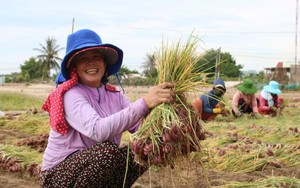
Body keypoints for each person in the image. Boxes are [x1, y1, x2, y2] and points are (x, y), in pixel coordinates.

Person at [40, 29, 175, 188]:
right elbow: (98, 131)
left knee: (141, 151)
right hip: (57, 176)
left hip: (92, 173)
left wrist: (166, 125)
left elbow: (139, 127)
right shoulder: (70, 95)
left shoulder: (114, 95)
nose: (91, 62)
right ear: (74, 67)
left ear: (104, 63)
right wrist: (145, 102)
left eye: (96, 57)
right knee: (106, 152)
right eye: (83, 59)